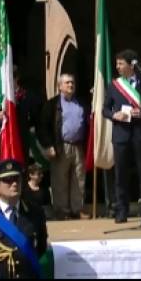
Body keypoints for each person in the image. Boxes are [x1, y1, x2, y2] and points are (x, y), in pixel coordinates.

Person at [103, 49, 141, 225]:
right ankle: (121, 211)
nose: (117, 67)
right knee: (121, 174)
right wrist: (113, 115)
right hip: (121, 134)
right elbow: (105, 109)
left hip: (140, 133)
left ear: (131, 64)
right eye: (117, 64)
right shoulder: (114, 85)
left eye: (121, 63)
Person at [38, 73, 89, 220]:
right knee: (60, 180)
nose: (70, 85)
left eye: (72, 82)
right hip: (61, 146)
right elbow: (44, 126)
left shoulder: (81, 103)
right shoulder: (52, 104)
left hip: (79, 146)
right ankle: (62, 211)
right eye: (67, 83)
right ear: (60, 86)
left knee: (79, 179)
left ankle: (77, 208)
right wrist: (48, 145)